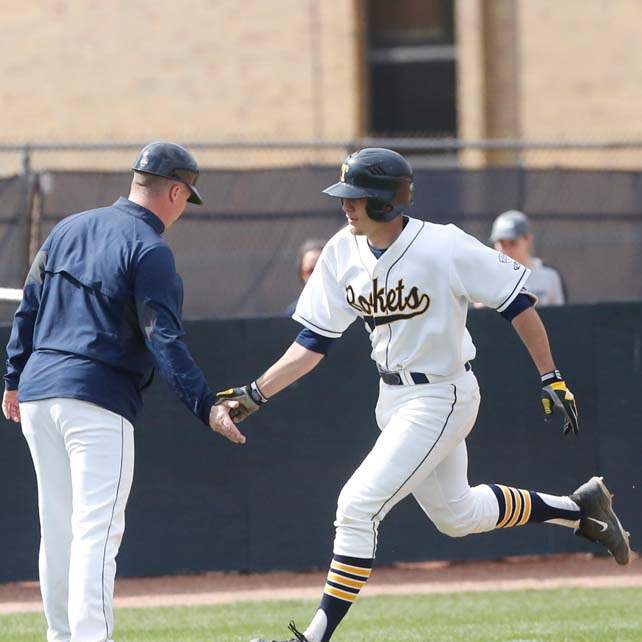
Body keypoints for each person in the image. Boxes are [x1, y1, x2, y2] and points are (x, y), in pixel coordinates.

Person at [216, 148, 631, 642]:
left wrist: (551, 375)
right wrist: (256, 393)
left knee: (356, 505)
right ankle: (578, 509)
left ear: (387, 203)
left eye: (357, 197)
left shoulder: (443, 246)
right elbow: (311, 344)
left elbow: (518, 303)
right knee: (459, 515)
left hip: (443, 394)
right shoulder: (341, 251)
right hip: (391, 399)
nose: (345, 205)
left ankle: (313, 638)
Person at [2, 141, 243, 642]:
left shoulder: (69, 227)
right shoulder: (150, 249)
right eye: (185, 197)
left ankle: (62, 636)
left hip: (40, 395)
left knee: (59, 527)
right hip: (95, 397)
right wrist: (206, 405)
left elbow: (28, 306)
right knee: (96, 530)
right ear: (176, 191)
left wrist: (13, 378)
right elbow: (163, 337)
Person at [490, 210, 567, 305]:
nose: (507, 250)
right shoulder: (489, 276)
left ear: (528, 239)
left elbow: (561, 314)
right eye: (502, 243)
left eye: (512, 243)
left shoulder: (549, 275)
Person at [285, 239, 325, 316]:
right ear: (301, 274)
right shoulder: (294, 313)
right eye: (311, 270)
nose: (317, 275)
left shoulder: (348, 309)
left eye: (322, 269)